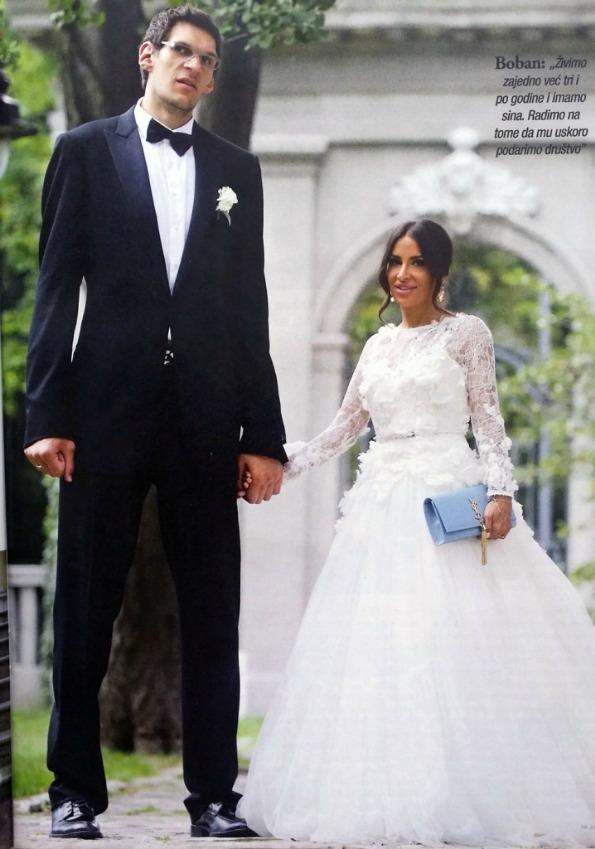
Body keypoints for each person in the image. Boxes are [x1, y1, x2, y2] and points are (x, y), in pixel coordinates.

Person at [238, 219, 595, 847]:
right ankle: (389, 792)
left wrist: (501, 492)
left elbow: (488, 420)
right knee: (382, 643)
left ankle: (476, 788)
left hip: (446, 492)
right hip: (382, 503)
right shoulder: (376, 346)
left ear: (438, 271)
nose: (402, 274)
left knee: (459, 637)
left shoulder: (467, 333)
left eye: (415, 262)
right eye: (395, 261)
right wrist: (279, 464)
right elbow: (343, 429)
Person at [23, 5, 286, 840]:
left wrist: (264, 435)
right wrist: (47, 413)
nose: (193, 66)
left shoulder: (237, 170)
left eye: (207, 59)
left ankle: (213, 797)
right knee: (84, 606)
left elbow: (250, 309)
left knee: (212, 609)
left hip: (206, 417)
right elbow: (56, 290)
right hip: (103, 412)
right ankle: (73, 791)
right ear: (147, 56)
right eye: (181, 51)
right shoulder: (83, 151)